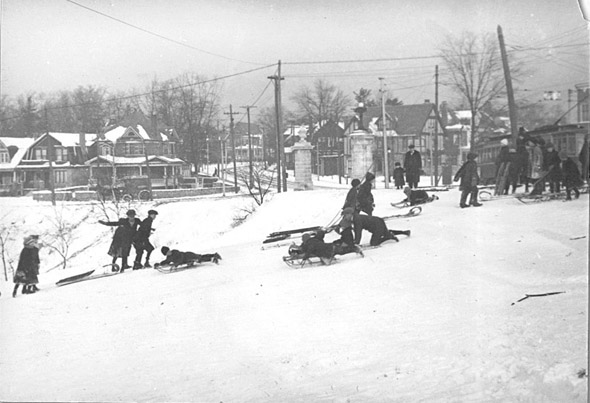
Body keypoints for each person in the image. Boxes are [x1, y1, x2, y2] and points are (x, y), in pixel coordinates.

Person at [156, 246, 221, 266]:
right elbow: (166, 261)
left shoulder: (175, 252)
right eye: (167, 253)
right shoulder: (169, 257)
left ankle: (213, 258)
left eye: (168, 251)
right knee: (200, 257)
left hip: (188, 255)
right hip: (187, 259)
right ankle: (214, 255)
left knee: (199, 258)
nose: (169, 252)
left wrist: (177, 263)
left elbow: (181, 258)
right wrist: (160, 264)